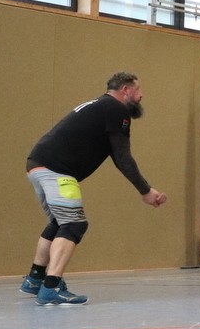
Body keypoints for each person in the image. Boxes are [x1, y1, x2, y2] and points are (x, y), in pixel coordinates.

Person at [20, 72, 167, 305]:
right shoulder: (116, 109)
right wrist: (146, 191)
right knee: (74, 224)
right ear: (126, 90)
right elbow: (123, 158)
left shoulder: (101, 106)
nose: (142, 95)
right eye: (138, 90)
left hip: (38, 165)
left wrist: (144, 189)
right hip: (56, 171)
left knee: (60, 223)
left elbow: (117, 156)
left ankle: (35, 278)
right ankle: (50, 286)